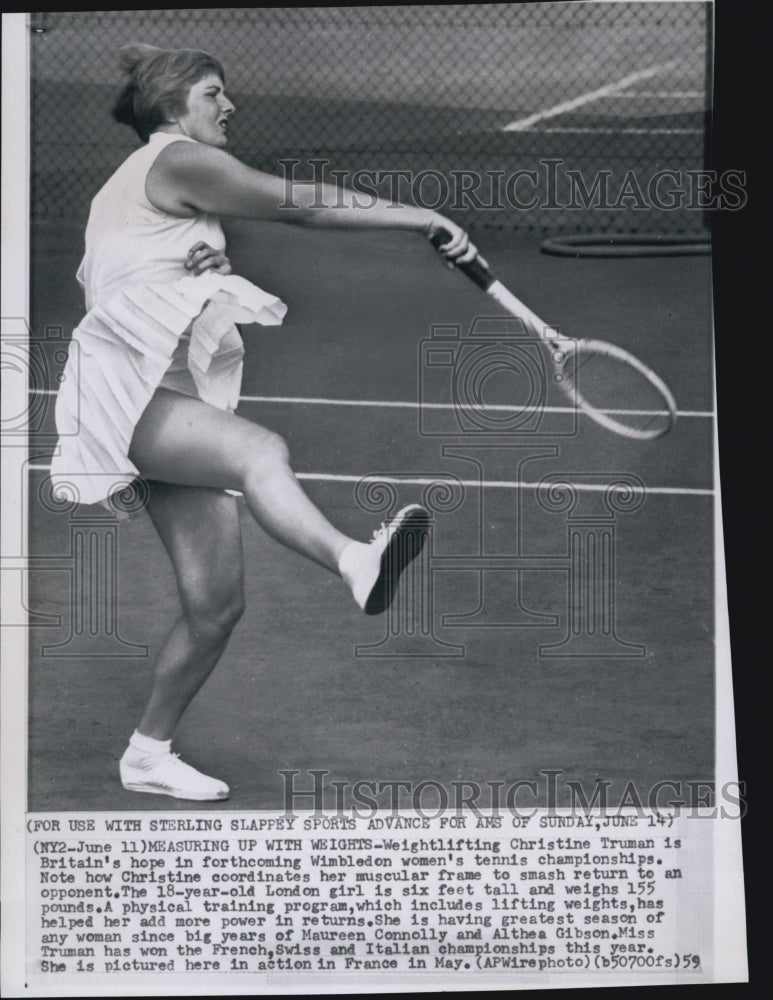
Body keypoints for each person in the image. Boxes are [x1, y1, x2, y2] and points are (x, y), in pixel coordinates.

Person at [51, 44, 480, 802]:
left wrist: (204, 275)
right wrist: (423, 217)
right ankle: (355, 560)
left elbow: (117, 280)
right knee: (260, 450)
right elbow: (302, 203)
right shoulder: (175, 156)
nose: (228, 106)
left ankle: (146, 755)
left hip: (153, 391)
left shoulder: (151, 190)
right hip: (128, 396)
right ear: (173, 106)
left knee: (215, 607)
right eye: (213, 93)